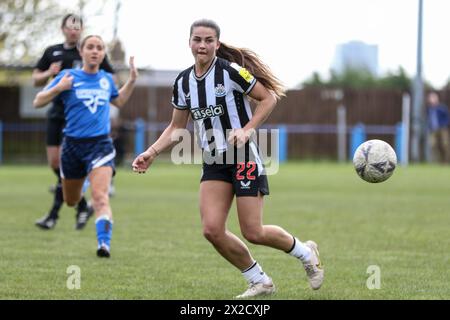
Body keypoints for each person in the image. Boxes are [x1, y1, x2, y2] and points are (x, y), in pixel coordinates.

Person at [132, 19, 324, 298]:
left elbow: (268, 98)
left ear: (217, 44)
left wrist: (247, 131)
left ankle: (307, 253)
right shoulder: (183, 82)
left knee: (253, 231)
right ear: (189, 43)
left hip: (243, 157)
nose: (202, 45)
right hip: (213, 162)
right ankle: (260, 281)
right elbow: (176, 127)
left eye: (209, 40)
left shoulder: (231, 71)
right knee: (212, 229)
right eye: (197, 39)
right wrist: (150, 152)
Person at [33, 35, 138, 257]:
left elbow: (118, 101)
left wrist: (132, 81)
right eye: (90, 47)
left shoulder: (106, 80)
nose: (95, 51)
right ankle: (81, 188)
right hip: (72, 146)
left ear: (102, 54)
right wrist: (58, 88)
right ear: (81, 51)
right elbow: (38, 101)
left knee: (101, 197)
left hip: (100, 145)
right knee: (71, 201)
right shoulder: (67, 76)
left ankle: (104, 244)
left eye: (99, 48)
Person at [32, 14, 115, 230]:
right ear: (62, 29)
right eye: (70, 27)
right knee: (54, 163)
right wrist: (50, 74)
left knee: (68, 164)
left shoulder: (92, 49)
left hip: (83, 118)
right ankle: (79, 201)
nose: (74, 30)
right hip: (57, 113)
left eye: (78, 27)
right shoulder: (52, 51)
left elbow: (108, 79)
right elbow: (35, 79)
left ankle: (55, 213)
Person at [427, 92, 450, 163]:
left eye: (433, 98)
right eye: (430, 98)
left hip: (443, 129)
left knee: (445, 144)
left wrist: (444, 125)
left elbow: (447, 118)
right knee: (433, 145)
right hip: (433, 129)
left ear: (437, 98)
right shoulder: (429, 109)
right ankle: (438, 161)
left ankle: (446, 161)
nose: (432, 99)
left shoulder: (442, 108)